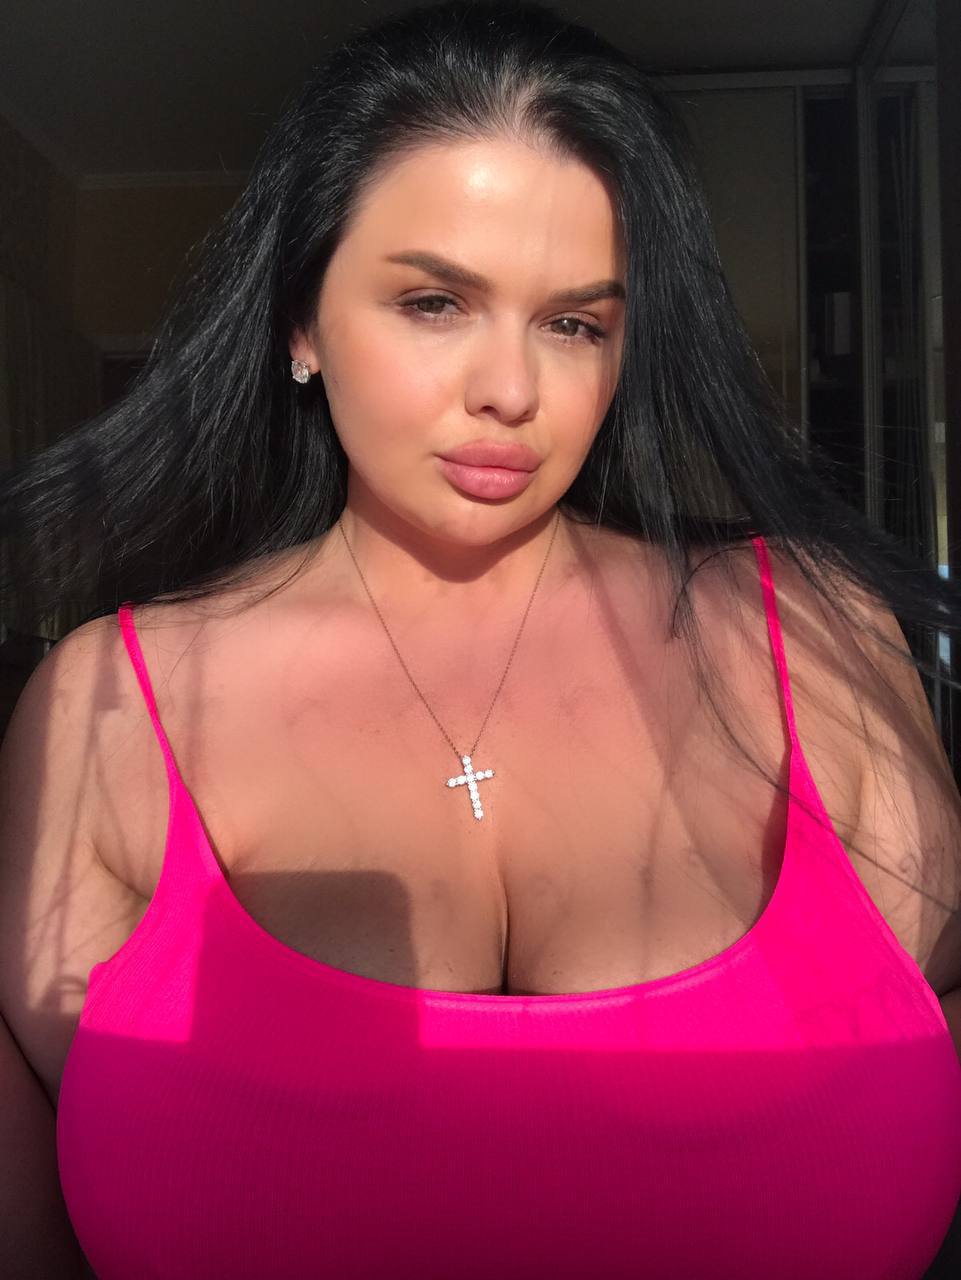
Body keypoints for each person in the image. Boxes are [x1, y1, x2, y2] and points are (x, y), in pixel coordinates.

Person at [1, 2, 960, 1276]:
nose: (510, 390)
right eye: (434, 301)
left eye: (574, 323)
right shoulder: (107, 709)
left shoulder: (824, 643)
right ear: (299, 321)